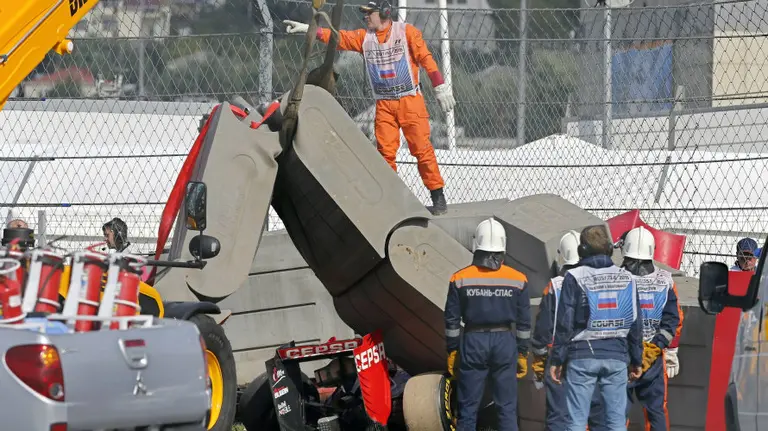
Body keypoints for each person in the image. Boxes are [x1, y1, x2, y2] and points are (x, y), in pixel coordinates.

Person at [283, 0, 456, 215]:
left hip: (410, 101)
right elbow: (339, 38)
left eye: (369, 13)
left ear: (384, 13)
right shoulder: (365, 38)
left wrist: (440, 87)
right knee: (385, 155)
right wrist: (311, 31)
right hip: (384, 105)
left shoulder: (406, 32)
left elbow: (426, 60)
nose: (365, 17)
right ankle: (393, 201)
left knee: (422, 150)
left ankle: (437, 197)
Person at [549, 225, 643, 431]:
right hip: (617, 356)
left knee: (575, 422)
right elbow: (636, 325)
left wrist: (557, 359)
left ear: (581, 250)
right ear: (610, 248)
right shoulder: (627, 277)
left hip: (581, 356)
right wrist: (637, 360)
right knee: (616, 423)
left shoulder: (574, 277)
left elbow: (565, 324)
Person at [444, 217, 531, 431]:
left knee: (468, 407)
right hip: (504, 342)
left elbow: (452, 321)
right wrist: (521, 353)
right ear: (503, 245)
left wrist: (453, 351)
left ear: (477, 244)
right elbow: (524, 323)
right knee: (507, 407)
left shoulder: (459, 278)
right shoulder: (518, 279)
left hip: (474, 341)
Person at [531, 230, 607, 431]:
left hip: (561, 358)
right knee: (596, 414)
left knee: (559, 416)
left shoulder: (555, 286)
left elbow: (544, 326)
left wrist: (539, 361)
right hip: (595, 355)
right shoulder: (599, 281)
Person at [619, 227, 683, 431]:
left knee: (616, 412)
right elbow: (673, 320)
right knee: (656, 412)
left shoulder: (615, 278)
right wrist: (666, 348)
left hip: (622, 357)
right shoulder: (665, 281)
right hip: (653, 357)